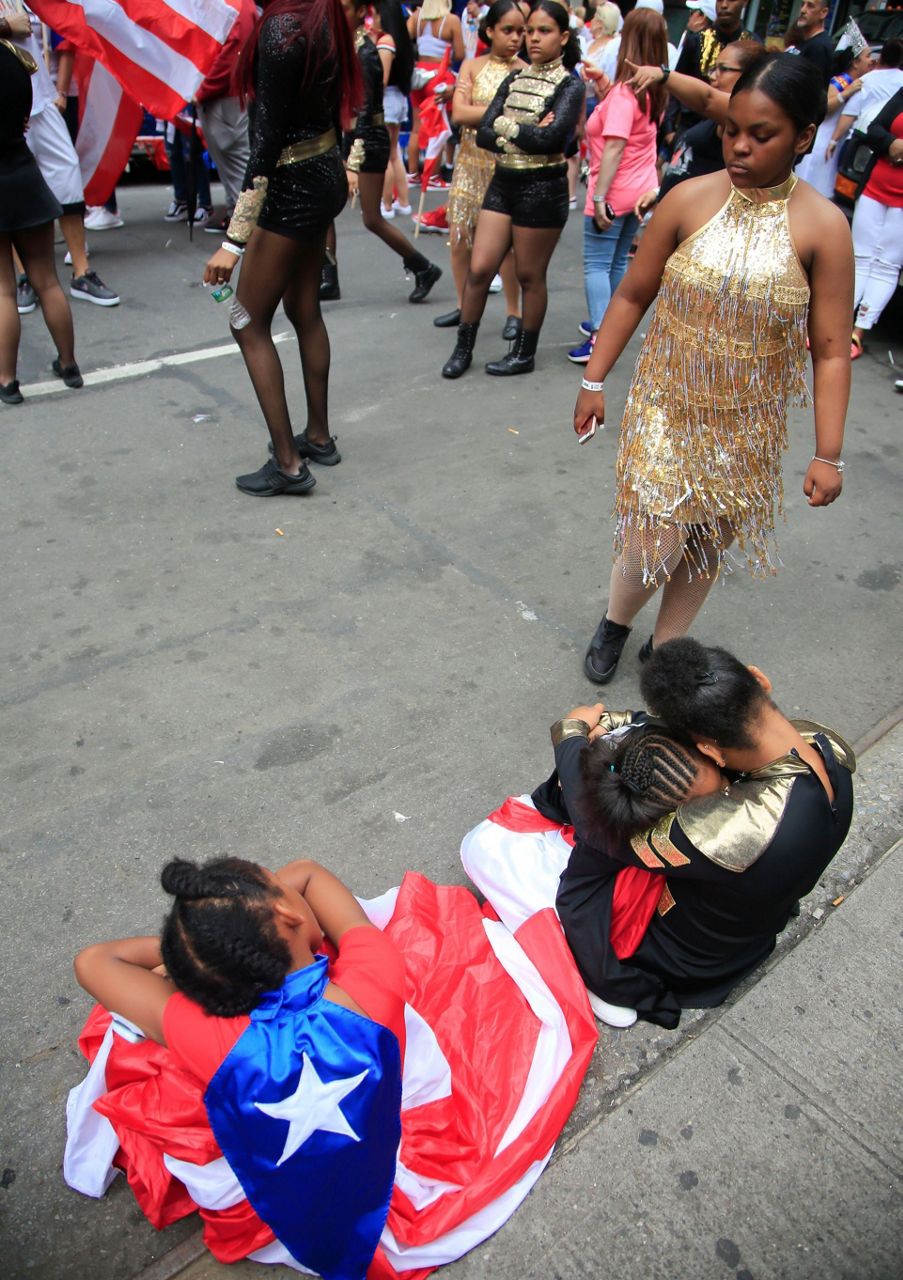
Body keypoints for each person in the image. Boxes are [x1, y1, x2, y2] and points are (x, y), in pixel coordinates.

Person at [65, 854, 597, 1273]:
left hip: (287, 1178)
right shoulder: (375, 975)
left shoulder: (194, 1028)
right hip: (392, 1144)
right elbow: (310, 873)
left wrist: (193, 955)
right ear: (292, 915)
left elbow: (93, 961)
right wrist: (265, 900)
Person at [574, 54, 853, 684]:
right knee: (653, 539)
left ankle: (668, 650)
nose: (740, 146)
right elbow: (631, 295)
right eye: (732, 130)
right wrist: (594, 380)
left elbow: (831, 349)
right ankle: (616, 621)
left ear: (803, 137)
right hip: (666, 407)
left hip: (748, 421)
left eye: (762, 135)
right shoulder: (688, 198)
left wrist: (827, 453)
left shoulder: (824, 227)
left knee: (705, 539)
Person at [554, 638, 856, 1028]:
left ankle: (614, 988)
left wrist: (571, 733)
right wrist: (614, 721)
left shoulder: (731, 832)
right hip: (751, 928)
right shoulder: (821, 746)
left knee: (586, 873)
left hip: (687, 961)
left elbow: (599, 831)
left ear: (711, 753)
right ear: (758, 679)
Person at [203, 0, 360, 497]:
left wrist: (233, 240)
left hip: (293, 183)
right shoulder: (322, 16)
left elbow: (266, 141)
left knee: (245, 319)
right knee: (303, 306)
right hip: (322, 171)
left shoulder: (284, 26)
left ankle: (289, 464)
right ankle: (316, 436)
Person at [441, 0, 585, 378]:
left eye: (543, 31)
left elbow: (553, 138)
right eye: (529, 31)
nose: (532, 39)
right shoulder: (513, 78)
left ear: (563, 36)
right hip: (503, 180)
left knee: (529, 275)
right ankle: (463, 348)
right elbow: (484, 132)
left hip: (543, 186)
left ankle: (524, 353)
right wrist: (527, 127)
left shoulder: (570, 85)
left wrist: (511, 126)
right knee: (480, 268)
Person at [322, 0, 442, 307]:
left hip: (367, 140)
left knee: (372, 218)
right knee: (323, 210)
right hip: (347, 138)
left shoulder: (365, 54)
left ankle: (423, 267)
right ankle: (328, 276)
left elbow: (363, 113)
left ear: (361, 12)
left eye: (345, 8)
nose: (337, 13)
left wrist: (352, 165)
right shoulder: (344, 46)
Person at [568, 7, 669, 365]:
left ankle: (601, 335)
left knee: (597, 263)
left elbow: (614, 145)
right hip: (640, 189)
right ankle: (611, 324)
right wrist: (603, 86)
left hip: (614, 190)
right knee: (615, 262)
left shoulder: (628, 95)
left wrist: (597, 197)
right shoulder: (651, 91)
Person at [10, 6, 119, 308]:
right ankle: (23, 277)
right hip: (6, 100)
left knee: (68, 173)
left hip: (40, 97)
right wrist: (6, 26)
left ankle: (81, 272)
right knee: (11, 185)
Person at [0, 28, 82, 404]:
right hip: (25, 178)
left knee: (3, 291)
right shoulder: (17, 59)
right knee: (48, 282)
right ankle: (69, 365)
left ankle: (7, 382)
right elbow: (25, 120)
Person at [434, 0, 525, 334]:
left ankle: (514, 313)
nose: (516, 38)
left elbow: (519, 120)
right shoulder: (471, 66)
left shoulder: (524, 70)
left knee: (507, 248)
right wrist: (501, 114)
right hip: (468, 165)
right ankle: (463, 306)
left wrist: (478, 110)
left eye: (521, 31)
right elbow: (459, 114)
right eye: (508, 30)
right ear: (490, 31)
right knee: (459, 238)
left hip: (505, 168)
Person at [626, 37, 767, 207]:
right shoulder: (712, 123)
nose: (713, 76)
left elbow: (707, 99)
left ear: (749, 76)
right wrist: (658, 193)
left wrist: (663, 75)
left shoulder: (743, 118)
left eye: (723, 69)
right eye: (714, 68)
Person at [849, 87, 903, 360]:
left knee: (886, 264)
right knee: (859, 256)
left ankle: (859, 330)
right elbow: (875, 129)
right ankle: (840, 323)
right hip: (875, 186)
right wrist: (892, 144)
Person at [195, 0, 256, 234]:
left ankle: (245, 225)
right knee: (233, 164)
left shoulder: (237, 6)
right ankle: (237, 217)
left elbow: (231, 56)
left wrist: (202, 90)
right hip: (227, 95)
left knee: (237, 165)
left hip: (226, 97)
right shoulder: (239, 5)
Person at [796, 39, 874, 201]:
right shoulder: (841, 82)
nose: (872, 60)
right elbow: (824, 108)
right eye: (868, 56)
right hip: (822, 143)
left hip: (834, 144)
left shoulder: (859, 83)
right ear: (855, 62)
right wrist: (846, 93)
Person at [671, 0, 759, 135]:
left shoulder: (753, 46)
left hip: (732, 131)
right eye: (719, 0)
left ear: (745, 3)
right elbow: (675, 85)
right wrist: (669, 131)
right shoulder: (696, 41)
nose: (723, 5)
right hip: (689, 128)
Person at [406, 0, 465, 183]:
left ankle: (413, 173)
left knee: (417, 128)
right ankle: (432, 176)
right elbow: (460, 54)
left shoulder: (416, 17)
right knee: (436, 128)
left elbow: (402, 40)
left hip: (418, 74)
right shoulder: (452, 20)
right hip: (438, 75)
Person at [374, 0, 415, 220]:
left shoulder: (386, 41)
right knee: (394, 153)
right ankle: (403, 202)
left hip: (387, 101)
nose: (375, 19)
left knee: (386, 155)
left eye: (377, 14)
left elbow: (381, 79)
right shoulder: (400, 39)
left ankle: (387, 204)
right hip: (398, 98)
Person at [784, 0, 833, 87]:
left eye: (810, 6)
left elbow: (809, 89)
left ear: (823, 13)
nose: (802, 10)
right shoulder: (804, 41)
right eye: (803, 4)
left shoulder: (819, 47)